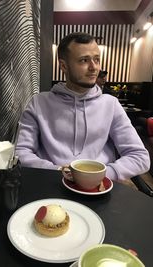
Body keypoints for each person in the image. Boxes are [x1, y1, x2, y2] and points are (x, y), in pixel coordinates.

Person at [16, 32, 150, 181]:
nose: (94, 67)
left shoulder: (111, 105)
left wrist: (100, 175)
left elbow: (140, 157)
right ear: (63, 66)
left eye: (97, 59)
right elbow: (21, 152)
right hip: (52, 184)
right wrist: (57, 171)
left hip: (99, 188)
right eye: (84, 60)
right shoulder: (39, 103)